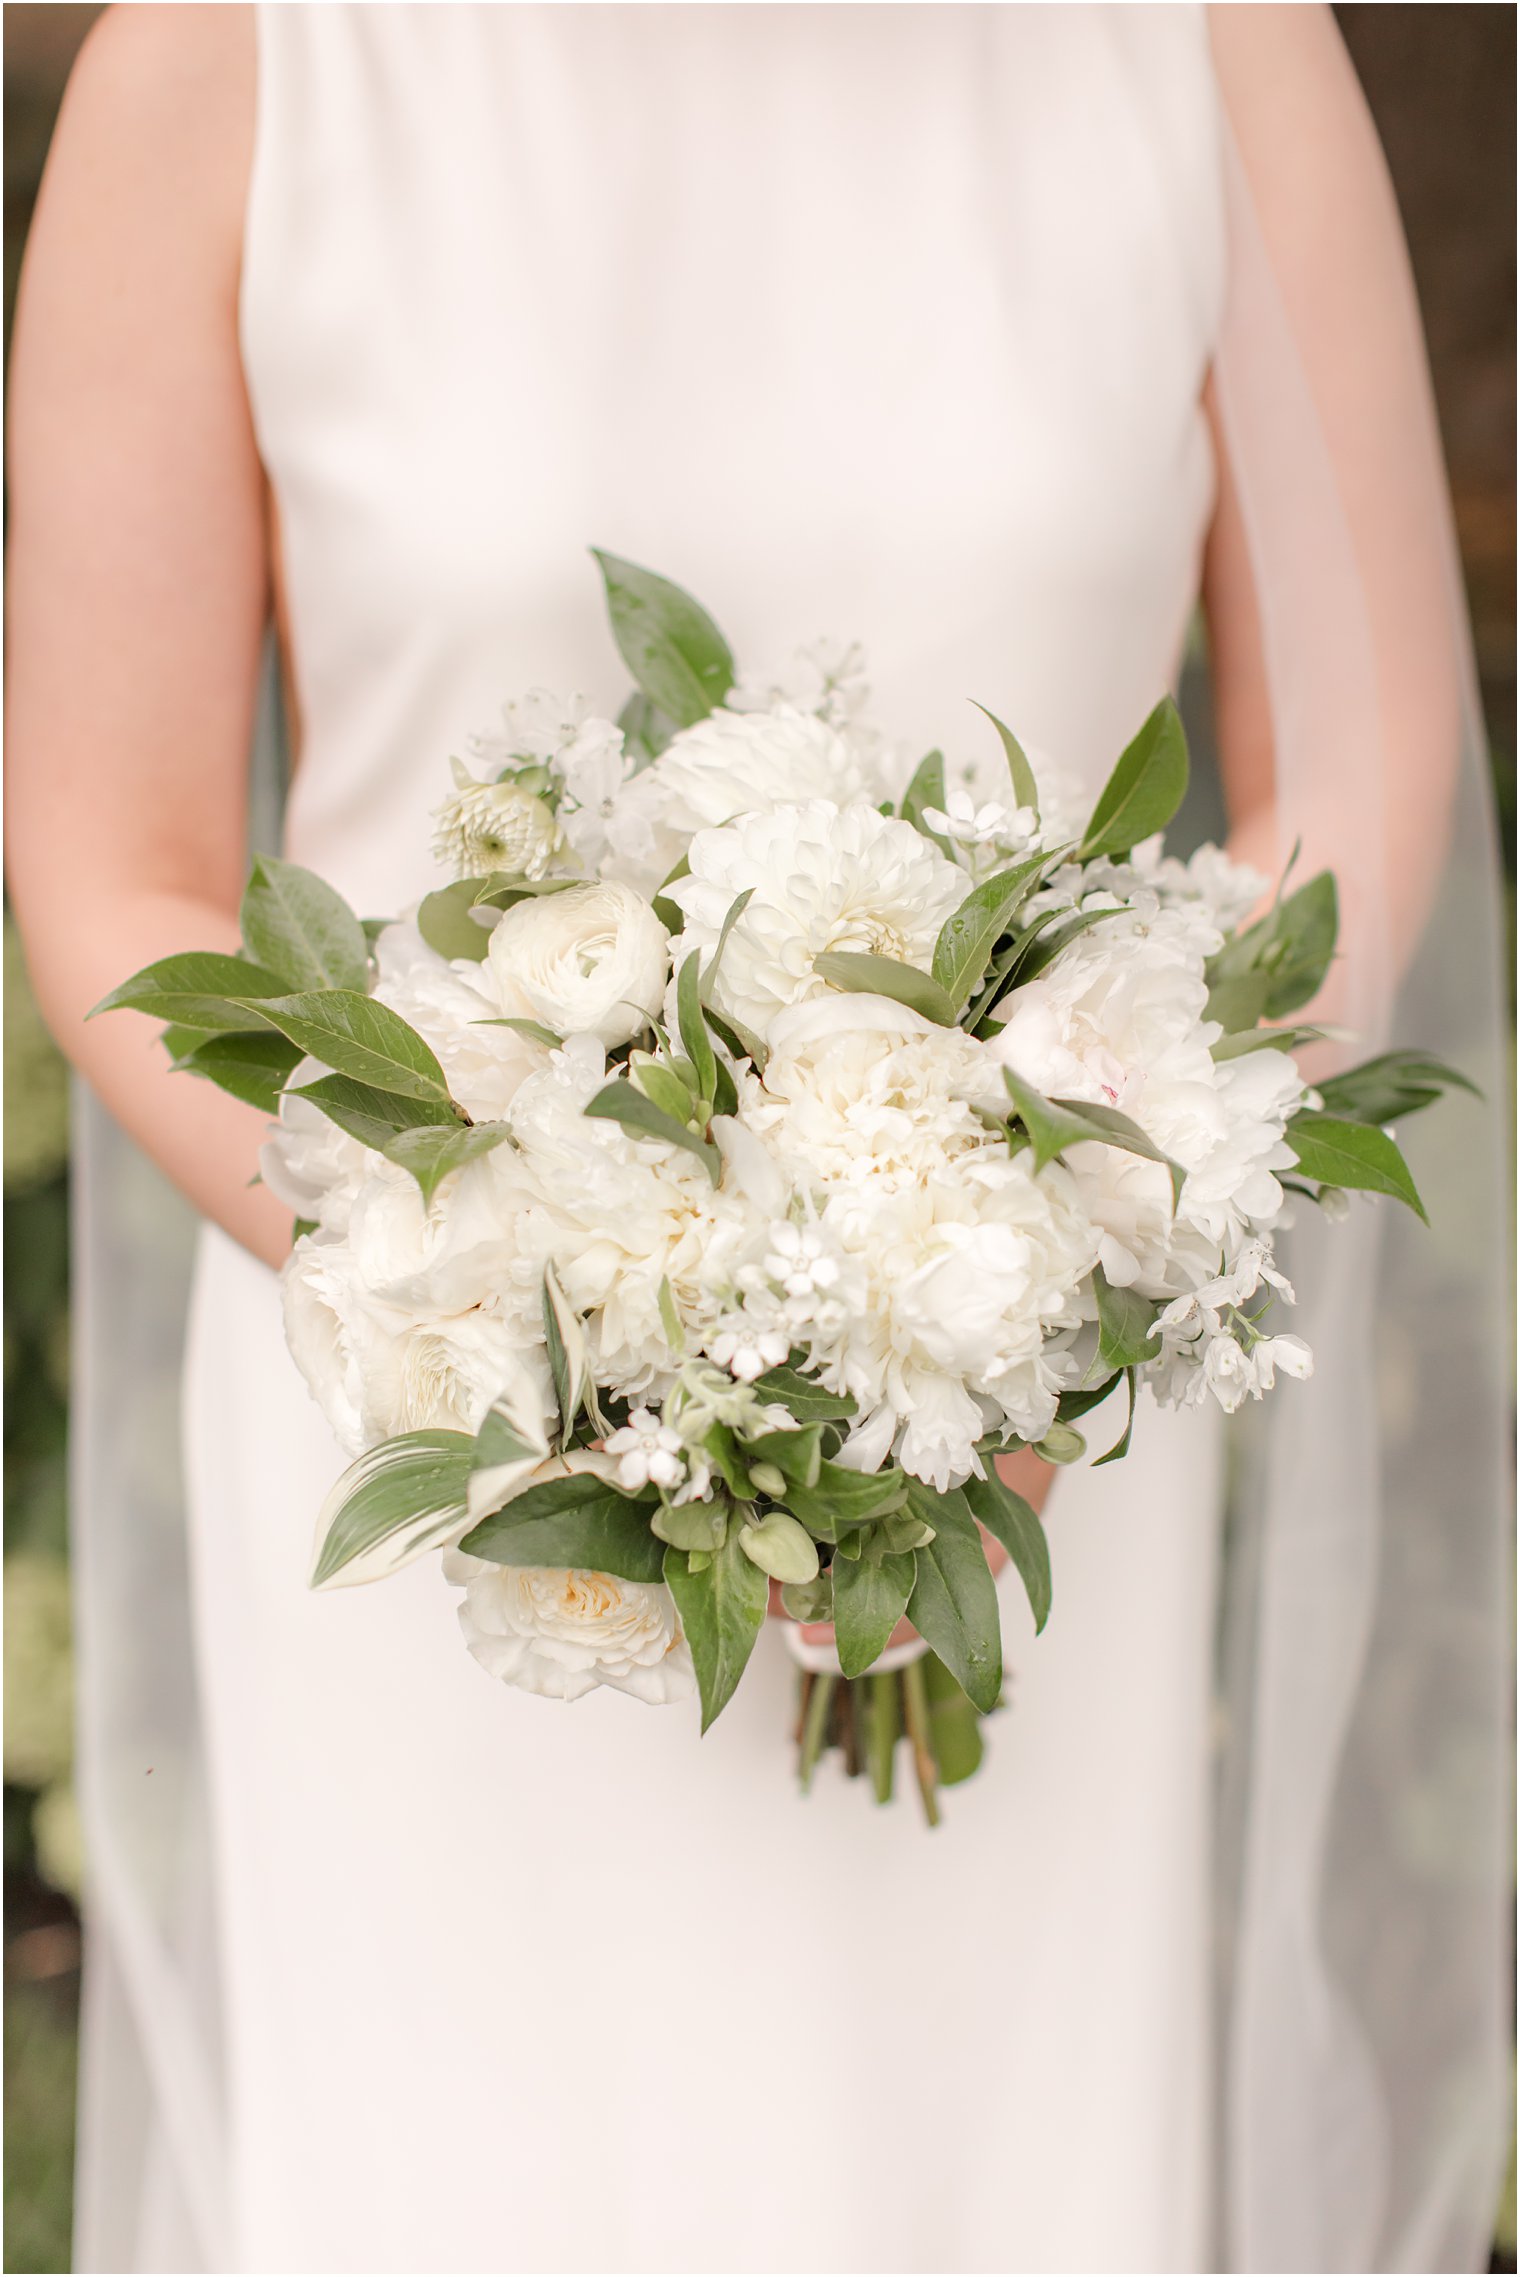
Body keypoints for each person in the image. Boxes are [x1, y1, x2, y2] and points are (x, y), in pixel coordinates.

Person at [6, 8, 1507, 2272]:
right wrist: (578, 1329)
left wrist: (1056, 1261)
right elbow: (117, 870)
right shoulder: (236, 62)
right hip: (458, 1461)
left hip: (1025, 1431)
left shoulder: (1202, 46)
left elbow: (1362, 764)